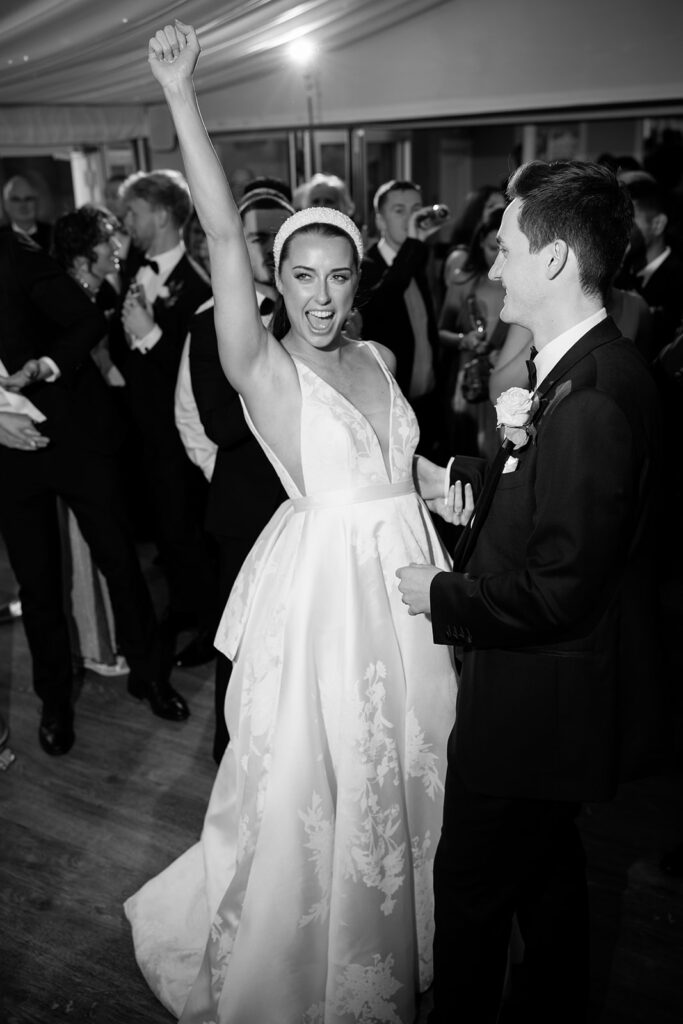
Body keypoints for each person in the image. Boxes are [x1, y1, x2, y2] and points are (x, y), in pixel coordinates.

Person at [124, 21, 473, 1024]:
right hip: (331, 598)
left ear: (354, 280)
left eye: (336, 277)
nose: (321, 297)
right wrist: (183, 99)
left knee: (417, 758)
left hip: (409, 577)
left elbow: (387, 454)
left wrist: (436, 480)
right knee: (327, 778)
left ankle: (412, 928)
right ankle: (313, 951)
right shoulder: (263, 369)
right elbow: (223, 236)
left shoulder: (367, 357)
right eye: (301, 278)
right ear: (275, 284)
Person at [397, 160, 661, 1024]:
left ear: (551, 261)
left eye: (506, 249)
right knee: (546, 873)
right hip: (556, 701)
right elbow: (563, 501)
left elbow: (558, 588)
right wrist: (472, 478)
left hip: (536, 702)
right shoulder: (589, 367)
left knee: (470, 888)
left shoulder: (590, 394)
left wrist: (439, 592)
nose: (494, 266)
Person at [0, 228, 189, 758]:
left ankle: (149, 676)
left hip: (73, 435)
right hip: (7, 453)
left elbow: (84, 321)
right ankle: (54, 701)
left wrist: (44, 366)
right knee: (37, 585)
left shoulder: (14, 253)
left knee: (119, 561)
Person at [175, 179, 293, 757]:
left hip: (311, 509)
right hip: (246, 511)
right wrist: (270, 353)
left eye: (279, 234)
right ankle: (233, 757)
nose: (268, 246)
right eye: (256, 236)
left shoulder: (327, 320)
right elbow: (216, 427)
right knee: (241, 642)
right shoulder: (208, 323)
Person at [109, 169, 215, 667]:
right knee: (165, 536)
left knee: (190, 535)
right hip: (143, 434)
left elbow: (200, 372)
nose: (126, 220)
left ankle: (209, 625)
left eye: (133, 211)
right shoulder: (135, 270)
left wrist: (150, 335)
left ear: (162, 215)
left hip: (179, 440)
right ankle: (180, 606)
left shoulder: (196, 285)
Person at [358, 179, 448, 460]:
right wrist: (413, 245)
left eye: (416, 208)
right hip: (391, 407)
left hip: (427, 399)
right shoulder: (365, 267)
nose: (411, 217)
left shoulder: (418, 259)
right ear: (380, 220)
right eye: (399, 210)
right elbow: (384, 300)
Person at [439, 207, 532, 458]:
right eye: (492, 248)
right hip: (468, 378)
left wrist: (504, 353)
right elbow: (439, 332)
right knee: (465, 446)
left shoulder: (522, 284)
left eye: (503, 250)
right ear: (480, 242)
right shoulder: (463, 281)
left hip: (509, 381)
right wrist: (463, 340)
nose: (497, 259)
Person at [1, 174, 53, 251]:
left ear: (37, 202)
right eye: (16, 199)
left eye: (28, 198)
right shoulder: (1, 237)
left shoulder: (53, 235)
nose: (23, 205)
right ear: (5, 204)